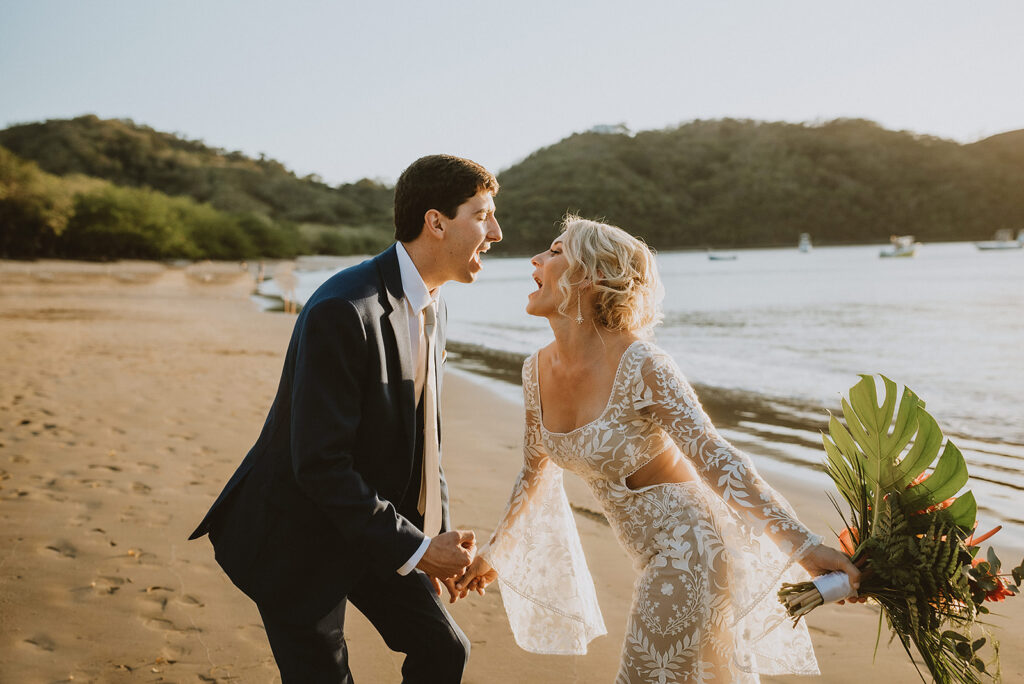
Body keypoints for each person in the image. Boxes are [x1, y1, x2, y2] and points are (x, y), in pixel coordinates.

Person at [455, 216, 860, 683]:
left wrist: (805, 549)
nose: (537, 259)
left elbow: (716, 457)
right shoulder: (535, 370)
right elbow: (534, 473)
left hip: (694, 549)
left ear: (593, 276)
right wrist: (495, 552)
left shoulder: (642, 363)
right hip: (649, 556)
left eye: (555, 250)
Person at [189, 154, 502, 683]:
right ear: (436, 221)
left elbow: (426, 443)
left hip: (372, 526)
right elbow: (319, 464)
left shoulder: (435, 304)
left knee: (445, 651)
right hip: (298, 535)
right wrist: (420, 549)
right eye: (482, 214)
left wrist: (439, 542)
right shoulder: (343, 308)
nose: (495, 231)